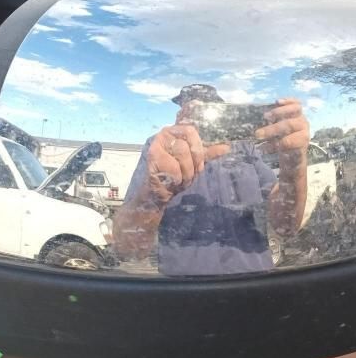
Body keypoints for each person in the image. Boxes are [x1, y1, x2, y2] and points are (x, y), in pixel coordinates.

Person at [112, 84, 309, 275]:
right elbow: (127, 249)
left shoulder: (244, 146)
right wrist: (154, 193)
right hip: (181, 292)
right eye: (191, 108)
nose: (200, 120)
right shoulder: (158, 148)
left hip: (254, 286)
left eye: (207, 110)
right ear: (180, 113)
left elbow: (286, 227)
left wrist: (294, 167)